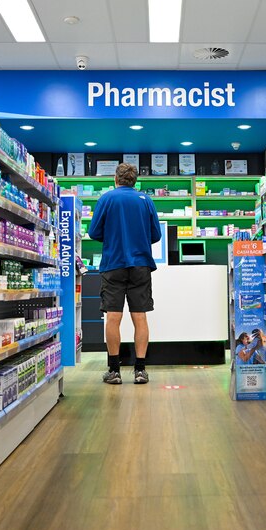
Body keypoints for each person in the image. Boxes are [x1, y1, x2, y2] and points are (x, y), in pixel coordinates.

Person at [88, 163, 162, 385]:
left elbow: (93, 232)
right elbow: (156, 235)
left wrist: (113, 237)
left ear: (115, 178)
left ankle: (114, 371)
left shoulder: (106, 199)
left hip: (113, 264)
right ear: (135, 180)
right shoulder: (145, 200)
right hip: (140, 265)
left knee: (113, 317)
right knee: (140, 317)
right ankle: (140, 371)